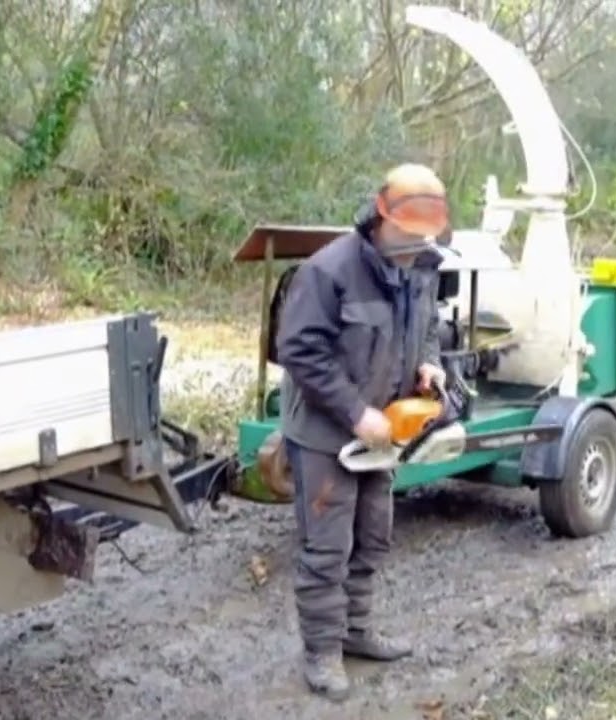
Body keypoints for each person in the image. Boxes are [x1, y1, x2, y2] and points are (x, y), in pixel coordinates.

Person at [274, 163, 450, 701]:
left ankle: (356, 632)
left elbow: (427, 327)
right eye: (409, 231)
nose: (418, 242)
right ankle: (323, 652)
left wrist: (429, 362)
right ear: (381, 213)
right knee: (326, 547)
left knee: (373, 535)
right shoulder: (328, 272)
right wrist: (355, 412)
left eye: (427, 232)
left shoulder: (423, 266)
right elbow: (299, 350)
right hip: (328, 432)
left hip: (385, 427)